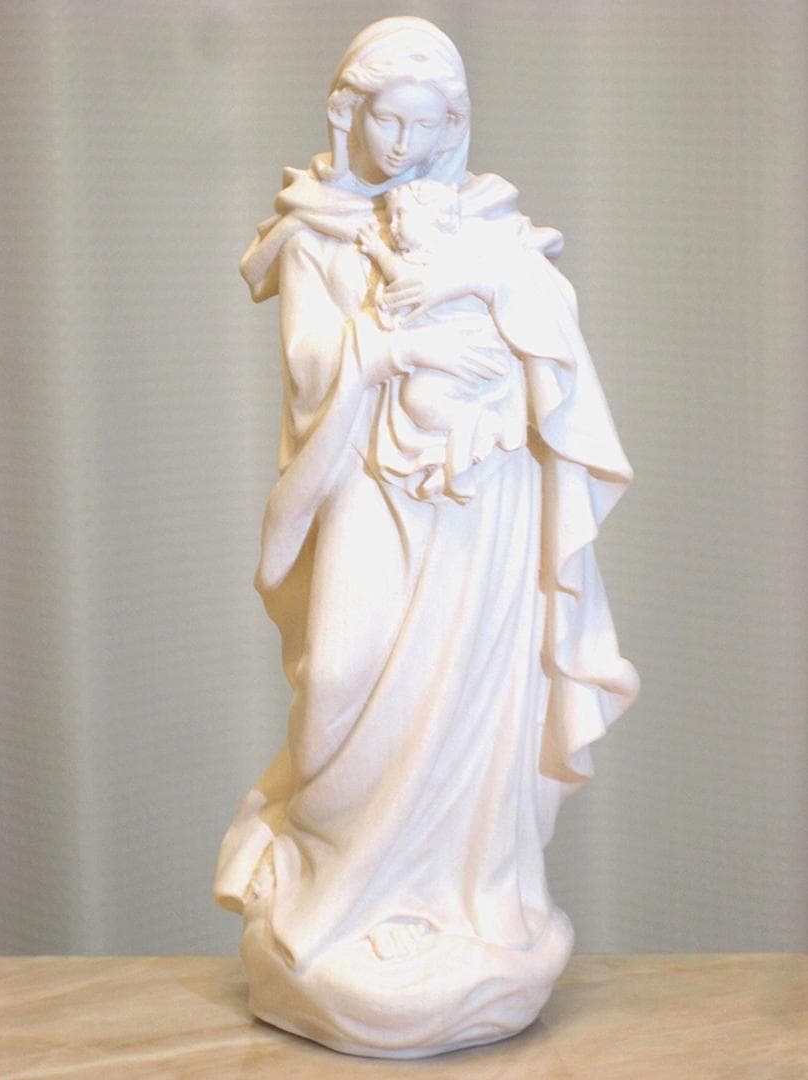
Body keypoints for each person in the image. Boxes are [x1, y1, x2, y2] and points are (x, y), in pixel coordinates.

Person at [214, 16, 638, 1057]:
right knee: (343, 678)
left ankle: (460, 900)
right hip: (367, 484)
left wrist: (472, 285)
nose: (403, 145)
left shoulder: (490, 221)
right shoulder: (315, 231)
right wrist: (394, 344)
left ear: (455, 123)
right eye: (384, 121)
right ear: (347, 114)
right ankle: (338, 887)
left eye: (424, 124)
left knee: (470, 696)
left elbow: (549, 331)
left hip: (480, 499)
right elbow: (314, 367)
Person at [356, 178, 524, 503]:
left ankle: (463, 458)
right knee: (421, 401)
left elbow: (406, 282)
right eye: (390, 218)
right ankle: (452, 463)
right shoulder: (431, 255)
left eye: (401, 215)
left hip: (470, 350)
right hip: (447, 353)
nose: (393, 227)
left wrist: (378, 251)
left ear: (437, 217)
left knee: (420, 399)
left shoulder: (443, 256)